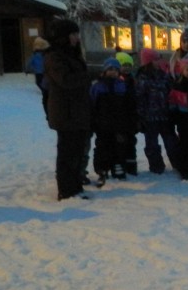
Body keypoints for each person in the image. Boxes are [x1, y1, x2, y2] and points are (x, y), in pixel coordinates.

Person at [44, 19, 92, 200]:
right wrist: (87, 76)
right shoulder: (55, 56)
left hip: (77, 112)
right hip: (66, 113)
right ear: (64, 37)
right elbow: (65, 80)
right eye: (73, 34)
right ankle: (66, 190)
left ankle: (75, 186)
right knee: (67, 152)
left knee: (77, 151)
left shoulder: (71, 54)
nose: (76, 38)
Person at [89, 58, 137, 186]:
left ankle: (118, 166)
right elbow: (92, 104)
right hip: (102, 123)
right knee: (102, 146)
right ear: (105, 71)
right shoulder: (97, 87)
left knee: (119, 145)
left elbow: (129, 105)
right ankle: (102, 169)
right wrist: (93, 121)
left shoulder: (122, 85)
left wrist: (129, 120)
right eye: (110, 69)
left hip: (119, 123)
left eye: (115, 70)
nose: (113, 72)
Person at [136, 48, 177, 175]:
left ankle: (177, 162)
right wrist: (141, 115)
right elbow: (139, 98)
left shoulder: (164, 75)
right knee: (152, 143)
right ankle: (156, 165)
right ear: (149, 62)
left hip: (165, 115)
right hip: (150, 117)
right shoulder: (142, 78)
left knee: (171, 142)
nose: (159, 61)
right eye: (156, 59)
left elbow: (171, 92)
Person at [26, 36, 49, 114]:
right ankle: (44, 89)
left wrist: (28, 69)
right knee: (42, 81)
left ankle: (44, 90)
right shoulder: (44, 55)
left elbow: (29, 62)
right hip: (43, 70)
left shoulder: (35, 55)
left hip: (38, 71)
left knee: (39, 82)